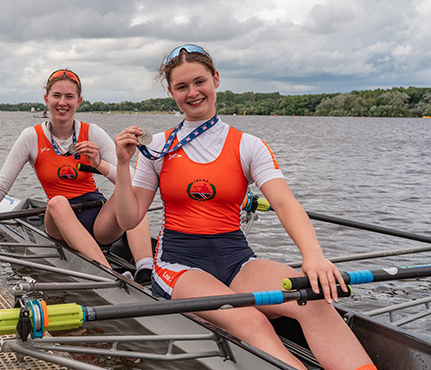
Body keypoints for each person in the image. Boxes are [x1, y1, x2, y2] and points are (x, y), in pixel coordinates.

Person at [112, 45, 376, 370]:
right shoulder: (156, 147)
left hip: (236, 259)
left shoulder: (249, 145)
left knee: (315, 301)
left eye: (199, 81)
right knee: (249, 319)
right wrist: (123, 166)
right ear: (171, 92)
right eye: (182, 87)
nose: (193, 93)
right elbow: (129, 217)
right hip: (179, 264)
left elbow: (285, 203)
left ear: (216, 79)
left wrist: (314, 256)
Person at [0, 69, 154, 283]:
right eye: (56, 96)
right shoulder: (31, 137)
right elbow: (1, 187)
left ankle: (145, 269)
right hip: (59, 220)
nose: (62, 102)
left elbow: (132, 179)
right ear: (46, 99)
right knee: (57, 202)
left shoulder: (93, 132)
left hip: (99, 221)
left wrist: (98, 164)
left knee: (134, 192)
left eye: (69, 97)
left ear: (79, 101)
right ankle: (109, 275)